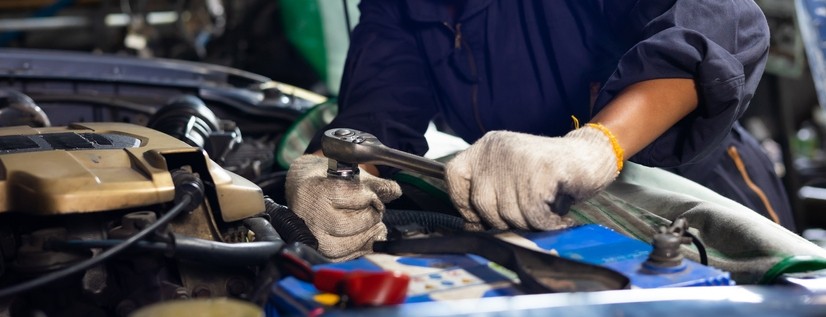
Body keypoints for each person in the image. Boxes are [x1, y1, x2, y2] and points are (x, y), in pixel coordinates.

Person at [285, 0, 793, 262]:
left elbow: (718, 24)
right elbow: (376, 114)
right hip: (532, 221)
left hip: (688, 201)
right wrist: (337, 180)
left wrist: (594, 148)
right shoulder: (398, 7)